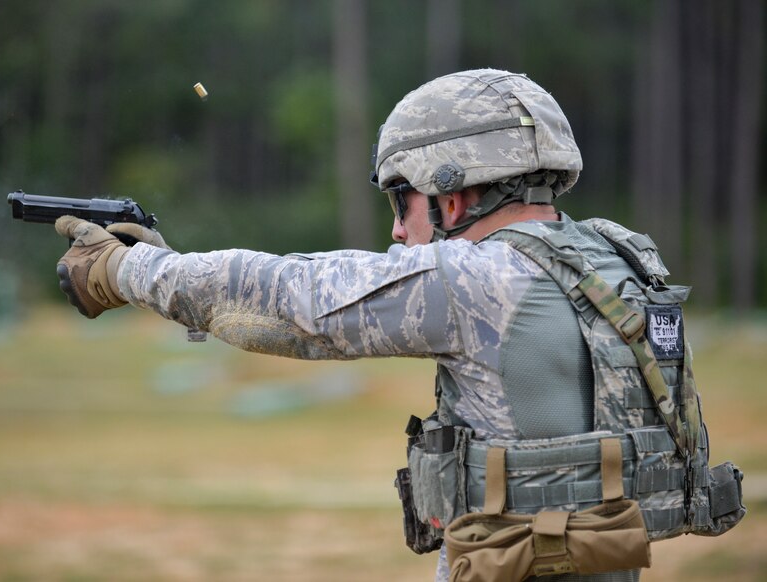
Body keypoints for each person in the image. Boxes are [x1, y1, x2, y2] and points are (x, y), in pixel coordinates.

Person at [53, 69, 743, 582]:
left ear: (458, 189)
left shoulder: (480, 282)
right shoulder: (620, 260)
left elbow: (294, 300)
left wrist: (125, 271)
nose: (395, 227)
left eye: (402, 199)